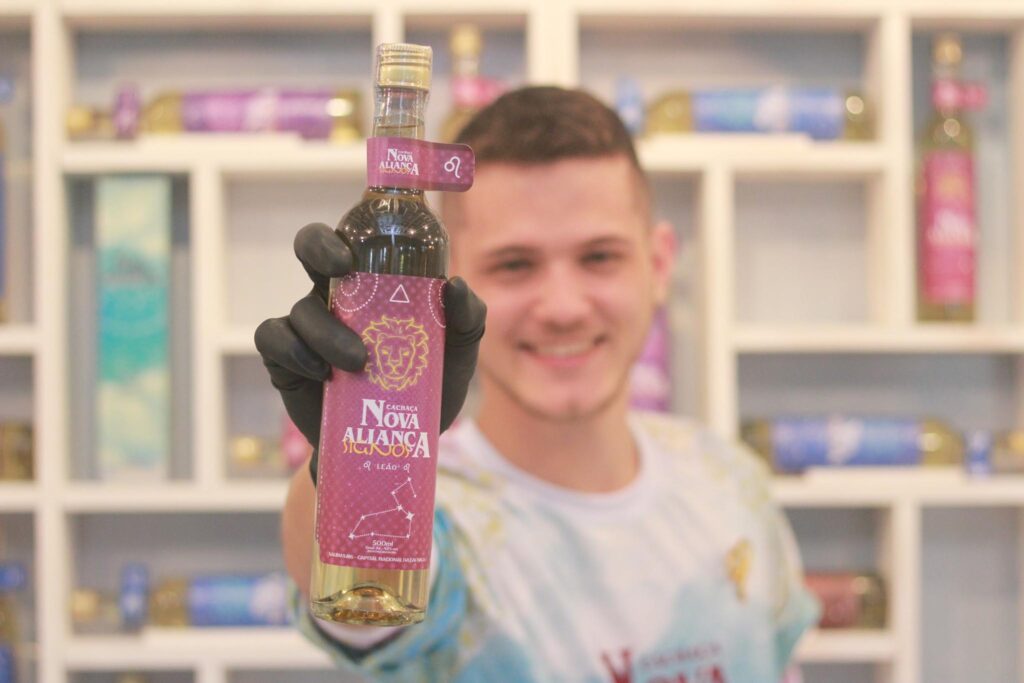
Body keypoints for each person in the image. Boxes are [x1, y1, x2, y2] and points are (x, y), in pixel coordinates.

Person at [256, 86, 819, 683]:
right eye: (514, 265)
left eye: (599, 257)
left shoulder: (729, 480)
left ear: (657, 265)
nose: (562, 308)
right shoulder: (441, 513)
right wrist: (342, 460)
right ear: (443, 283)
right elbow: (368, 614)